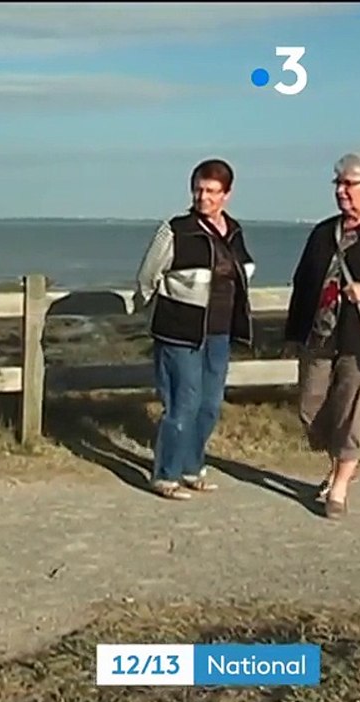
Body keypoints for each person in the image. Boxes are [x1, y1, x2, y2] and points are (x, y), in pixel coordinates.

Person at [134, 158, 257, 501]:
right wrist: (156, 313)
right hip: (179, 332)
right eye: (199, 190)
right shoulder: (175, 230)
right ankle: (165, 475)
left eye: (212, 191)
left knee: (209, 405)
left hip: (219, 332)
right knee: (182, 404)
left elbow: (243, 270)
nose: (204, 197)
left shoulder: (234, 231)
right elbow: (147, 278)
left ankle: (192, 467)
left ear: (227, 195)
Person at [284, 148, 360, 520]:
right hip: (321, 334)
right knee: (311, 408)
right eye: (338, 183)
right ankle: (341, 462)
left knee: (353, 412)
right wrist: (294, 333)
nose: (341, 191)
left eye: (350, 184)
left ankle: (339, 486)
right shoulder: (324, 232)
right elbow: (303, 282)